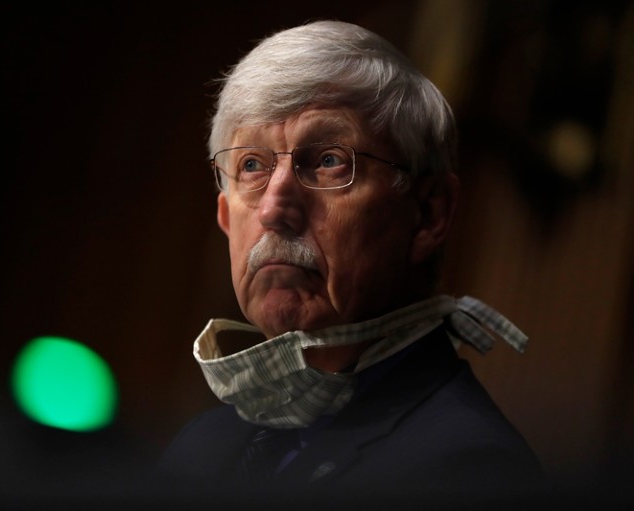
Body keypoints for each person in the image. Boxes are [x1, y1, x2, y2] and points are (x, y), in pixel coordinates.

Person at [153, 19, 543, 504]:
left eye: (328, 160)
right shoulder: (198, 449)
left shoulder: (468, 468)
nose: (274, 210)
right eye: (251, 165)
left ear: (428, 213)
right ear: (225, 219)